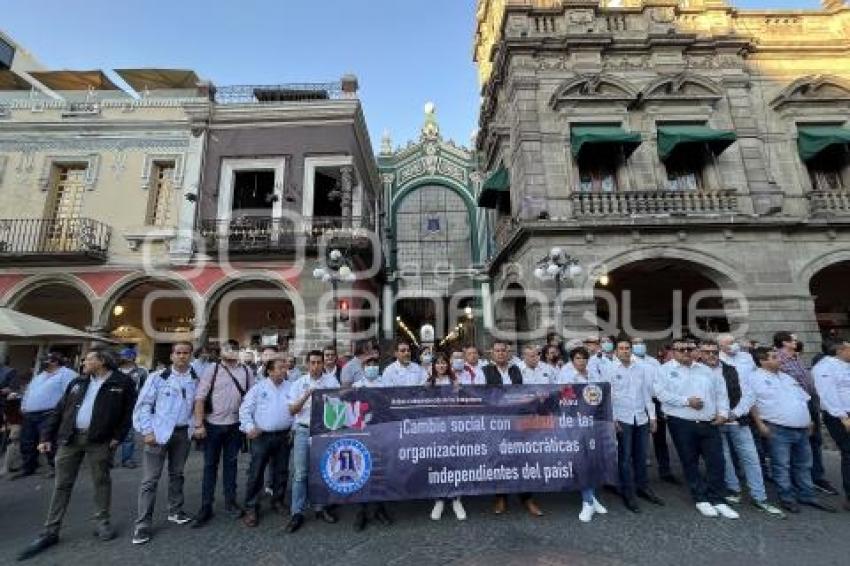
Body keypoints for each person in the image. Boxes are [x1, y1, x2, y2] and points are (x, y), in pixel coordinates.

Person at [17, 349, 136, 561]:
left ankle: (102, 522)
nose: (84, 362)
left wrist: (118, 436)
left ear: (102, 361)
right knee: (62, 484)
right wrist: (45, 437)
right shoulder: (78, 382)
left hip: (100, 440)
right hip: (70, 439)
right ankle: (51, 529)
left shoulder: (122, 382)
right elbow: (59, 410)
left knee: (101, 480)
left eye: (88, 359)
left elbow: (129, 412)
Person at [697, 340, 784, 517]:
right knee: (725, 458)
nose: (711, 356)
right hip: (713, 422)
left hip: (737, 420)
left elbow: (748, 395)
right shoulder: (697, 372)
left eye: (713, 352)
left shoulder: (732, 369)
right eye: (707, 353)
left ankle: (759, 496)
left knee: (750, 458)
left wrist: (734, 414)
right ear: (701, 354)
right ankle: (733, 490)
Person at [656, 338, 739, 519]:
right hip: (681, 422)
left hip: (709, 422)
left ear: (695, 351)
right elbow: (660, 393)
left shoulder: (707, 370)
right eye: (681, 349)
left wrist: (723, 413)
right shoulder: (663, 370)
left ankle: (718, 499)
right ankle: (700, 498)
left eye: (689, 349)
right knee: (690, 462)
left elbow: (721, 393)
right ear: (674, 351)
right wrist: (686, 401)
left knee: (717, 462)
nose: (686, 352)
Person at [750, 347, 836, 514]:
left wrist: (809, 421)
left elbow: (803, 399)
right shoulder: (754, 378)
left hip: (801, 428)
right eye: (774, 357)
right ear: (762, 361)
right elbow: (751, 403)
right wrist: (760, 425)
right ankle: (787, 498)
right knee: (781, 465)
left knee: (804, 464)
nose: (779, 360)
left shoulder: (787, 377)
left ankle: (807, 494)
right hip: (777, 428)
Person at [131, 342, 198, 545]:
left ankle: (175, 510)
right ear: (172, 356)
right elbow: (143, 405)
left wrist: (194, 428)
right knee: (150, 480)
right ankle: (142, 524)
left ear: (191, 356)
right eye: (178, 353)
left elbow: (198, 406)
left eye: (186, 353)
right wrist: (147, 430)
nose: (182, 356)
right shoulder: (157, 377)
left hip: (182, 433)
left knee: (177, 474)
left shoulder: (196, 379)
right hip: (158, 434)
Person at [191, 339, 254, 528]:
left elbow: (251, 399)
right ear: (221, 352)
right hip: (212, 425)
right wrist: (199, 424)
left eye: (235, 349)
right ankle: (206, 506)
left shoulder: (246, 371)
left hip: (235, 426)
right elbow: (200, 398)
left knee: (231, 465)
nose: (231, 352)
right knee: (210, 465)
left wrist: (249, 424)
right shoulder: (213, 369)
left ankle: (230, 502)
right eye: (228, 349)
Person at [483, 339, 543, 517]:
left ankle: (527, 498)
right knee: (500, 459)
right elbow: (480, 395)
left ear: (508, 353)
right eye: (498, 351)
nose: (501, 353)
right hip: (497, 422)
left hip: (518, 421)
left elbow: (527, 391)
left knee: (522, 457)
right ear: (492, 353)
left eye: (504, 351)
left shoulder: (517, 370)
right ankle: (501, 497)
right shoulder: (484, 371)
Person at [774, 331, 838, 496]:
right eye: (793, 340)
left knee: (814, 441)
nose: (796, 342)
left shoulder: (795, 357)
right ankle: (799, 481)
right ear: (784, 342)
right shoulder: (778, 360)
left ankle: (816, 477)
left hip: (809, 404)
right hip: (795, 406)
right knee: (798, 443)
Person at [602, 338, 663, 513]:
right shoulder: (610, 369)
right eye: (621, 348)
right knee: (625, 458)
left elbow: (646, 393)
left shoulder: (641, 368)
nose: (625, 351)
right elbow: (608, 396)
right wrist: (612, 419)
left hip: (641, 417)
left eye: (627, 348)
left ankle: (642, 487)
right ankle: (628, 492)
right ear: (616, 351)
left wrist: (652, 417)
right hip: (622, 418)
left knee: (641, 455)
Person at [286, 349, 340, 533]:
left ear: (323, 364)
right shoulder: (298, 383)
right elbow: (292, 410)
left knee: (323, 471)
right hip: (303, 430)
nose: (316, 366)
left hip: (323, 432)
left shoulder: (332, 382)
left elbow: (340, 406)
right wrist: (307, 394)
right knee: (300, 473)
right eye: (313, 363)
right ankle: (297, 512)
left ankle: (321, 507)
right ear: (307, 364)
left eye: (319, 362)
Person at [553, 347, 608, 522]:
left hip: (593, 423)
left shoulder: (593, 375)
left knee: (592, 461)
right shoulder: (566, 376)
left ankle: (592, 497)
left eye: (584, 358)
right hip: (574, 425)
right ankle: (587, 501)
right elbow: (564, 402)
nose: (582, 361)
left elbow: (601, 396)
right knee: (580, 461)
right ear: (572, 360)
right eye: (578, 358)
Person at [239, 357, 294, 527]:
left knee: (281, 471)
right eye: (279, 367)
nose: (283, 370)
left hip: (284, 436)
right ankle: (251, 507)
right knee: (256, 472)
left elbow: (297, 410)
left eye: (284, 367)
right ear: (269, 371)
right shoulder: (258, 388)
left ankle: (277, 501)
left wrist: (293, 428)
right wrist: (249, 427)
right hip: (262, 437)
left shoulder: (291, 387)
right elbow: (245, 409)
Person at [13, 353, 76, 480]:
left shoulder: (66, 374)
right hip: (30, 414)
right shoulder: (40, 375)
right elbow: (29, 391)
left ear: (55, 362)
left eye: (46, 360)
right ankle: (28, 467)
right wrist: (24, 405)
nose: (43, 363)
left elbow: (71, 394)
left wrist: (64, 413)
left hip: (49, 413)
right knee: (27, 442)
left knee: (49, 441)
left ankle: (55, 467)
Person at [351, 354, 394, 530]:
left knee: (379, 471)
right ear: (363, 367)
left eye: (375, 363)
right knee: (361, 470)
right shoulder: (356, 386)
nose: (372, 367)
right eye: (369, 364)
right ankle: (361, 511)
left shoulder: (386, 384)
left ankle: (378, 508)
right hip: (362, 434)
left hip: (381, 432)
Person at [426, 352, 467, 521]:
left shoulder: (455, 382)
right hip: (435, 428)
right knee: (438, 464)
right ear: (434, 366)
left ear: (448, 365)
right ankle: (439, 500)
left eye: (444, 363)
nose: (441, 366)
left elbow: (463, 403)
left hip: (452, 427)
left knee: (454, 463)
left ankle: (457, 499)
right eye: (438, 363)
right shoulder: (428, 383)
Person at [812, 339, 850, 512]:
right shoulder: (824, 368)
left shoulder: (844, 365)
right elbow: (827, 395)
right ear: (840, 350)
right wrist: (843, 417)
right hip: (841, 416)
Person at [633, 337, 678, 485]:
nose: (639, 345)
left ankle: (665, 471)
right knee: (640, 440)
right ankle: (640, 476)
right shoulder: (628, 362)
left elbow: (661, 381)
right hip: (638, 403)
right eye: (635, 343)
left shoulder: (653, 361)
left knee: (660, 438)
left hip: (656, 402)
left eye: (641, 343)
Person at [117, 347, 148, 469]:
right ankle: (107, 459)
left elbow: (145, 389)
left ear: (131, 357)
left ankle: (127, 459)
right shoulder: (115, 370)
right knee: (109, 432)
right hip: (114, 405)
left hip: (131, 405)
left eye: (123, 356)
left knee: (129, 434)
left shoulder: (141, 371)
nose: (121, 358)